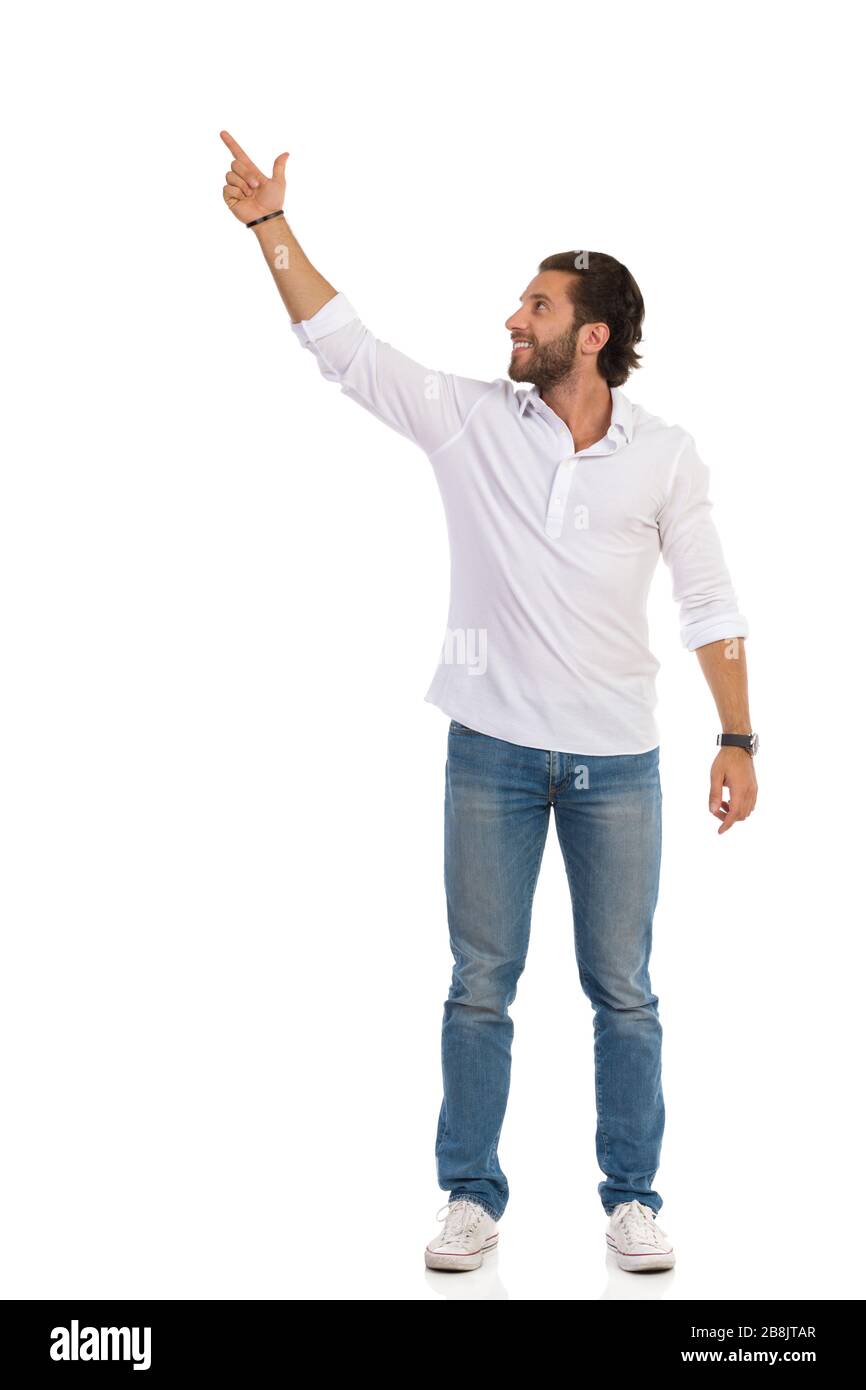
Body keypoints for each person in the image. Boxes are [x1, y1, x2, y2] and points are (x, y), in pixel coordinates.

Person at [220, 131, 759, 1275]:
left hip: (617, 763)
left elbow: (709, 600)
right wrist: (272, 229)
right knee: (479, 986)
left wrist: (738, 736)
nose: (512, 319)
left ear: (592, 334)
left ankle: (631, 1200)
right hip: (492, 756)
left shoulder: (664, 457)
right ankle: (468, 1196)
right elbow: (344, 349)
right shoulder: (469, 420)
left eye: (535, 305)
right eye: (518, 301)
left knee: (624, 990)